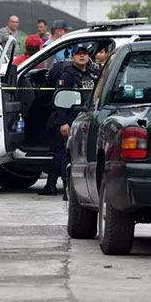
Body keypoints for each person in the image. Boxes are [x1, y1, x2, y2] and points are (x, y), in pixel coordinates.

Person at [40, 44, 95, 197]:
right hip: (70, 119)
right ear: (73, 57)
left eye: (85, 54)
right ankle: (66, 187)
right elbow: (61, 102)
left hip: (85, 119)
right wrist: (63, 123)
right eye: (79, 54)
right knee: (65, 153)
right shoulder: (67, 76)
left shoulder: (91, 74)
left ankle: (51, 185)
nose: (82, 56)